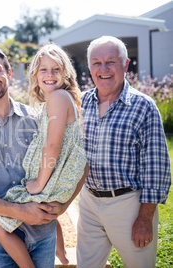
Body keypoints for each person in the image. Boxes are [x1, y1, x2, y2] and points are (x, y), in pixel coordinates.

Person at [0, 44, 87, 267]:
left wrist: (64, 205)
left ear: (9, 73)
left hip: (43, 237)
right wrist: (19, 211)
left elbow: (76, 162)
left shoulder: (37, 118)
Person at [0, 43, 87, 267]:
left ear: (66, 74)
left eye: (56, 69)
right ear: (35, 74)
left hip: (51, 180)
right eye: (44, 69)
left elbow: (52, 145)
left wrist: (38, 183)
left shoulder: (58, 98)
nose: (49, 75)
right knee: (46, 211)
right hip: (58, 180)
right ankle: (62, 255)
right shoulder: (56, 100)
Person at [77, 36, 171, 268]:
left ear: (126, 65)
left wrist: (145, 218)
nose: (103, 69)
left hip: (128, 205)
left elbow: (156, 168)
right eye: (96, 62)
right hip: (88, 201)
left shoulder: (144, 106)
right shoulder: (80, 102)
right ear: (89, 67)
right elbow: (46, 120)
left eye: (111, 61)